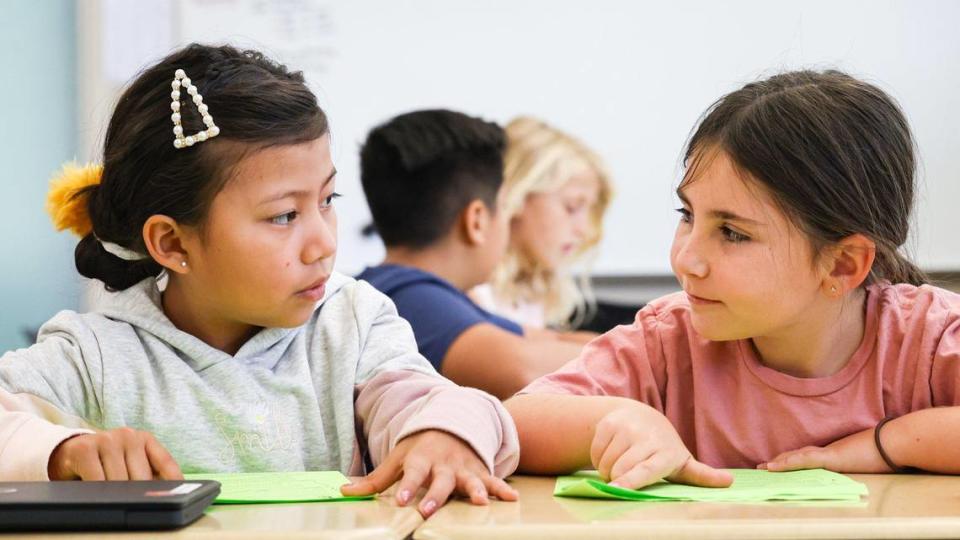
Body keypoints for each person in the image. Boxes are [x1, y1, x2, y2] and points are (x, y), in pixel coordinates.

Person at [0, 44, 518, 518]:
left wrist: (440, 432)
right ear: (174, 244)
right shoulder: (93, 356)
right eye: (283, 217)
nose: (324, 244)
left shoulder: (353, 324)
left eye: (326, 202)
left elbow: (429, 399)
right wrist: (61, 452)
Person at [506, 70, 960, 490]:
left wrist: (892, 442)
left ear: (842, 264)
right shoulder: (669, 342)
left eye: (732, 233)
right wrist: (617, 417)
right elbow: (515, 420)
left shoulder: (931, 339)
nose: (686, 259)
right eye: (687, 215)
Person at [357, 110, 584, 400]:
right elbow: (520, 370)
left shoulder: (437, 297)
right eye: (503, 206)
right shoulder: (405, 298)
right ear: (476, 221)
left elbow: (552, 340)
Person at [471, 116, 612, 341]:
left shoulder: (533, 293)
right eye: (572, 207)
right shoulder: (471, 292)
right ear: (515, 196)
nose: (584, 231)